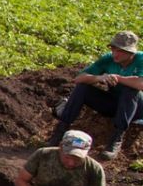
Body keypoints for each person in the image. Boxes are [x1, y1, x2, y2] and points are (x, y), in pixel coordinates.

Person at [46, 30, 143, 160]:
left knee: (129, 90)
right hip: (114, 104)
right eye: (114, 49)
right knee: (83, 88)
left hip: (137, 107)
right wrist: (100, 77)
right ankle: (60, 131)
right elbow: (79, 78)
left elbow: (140, 84)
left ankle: (115, 140)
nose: (115, 53)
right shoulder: (109, 59)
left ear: (131, 52)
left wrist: (118, 78)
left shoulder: (141, 59)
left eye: (120, 50)